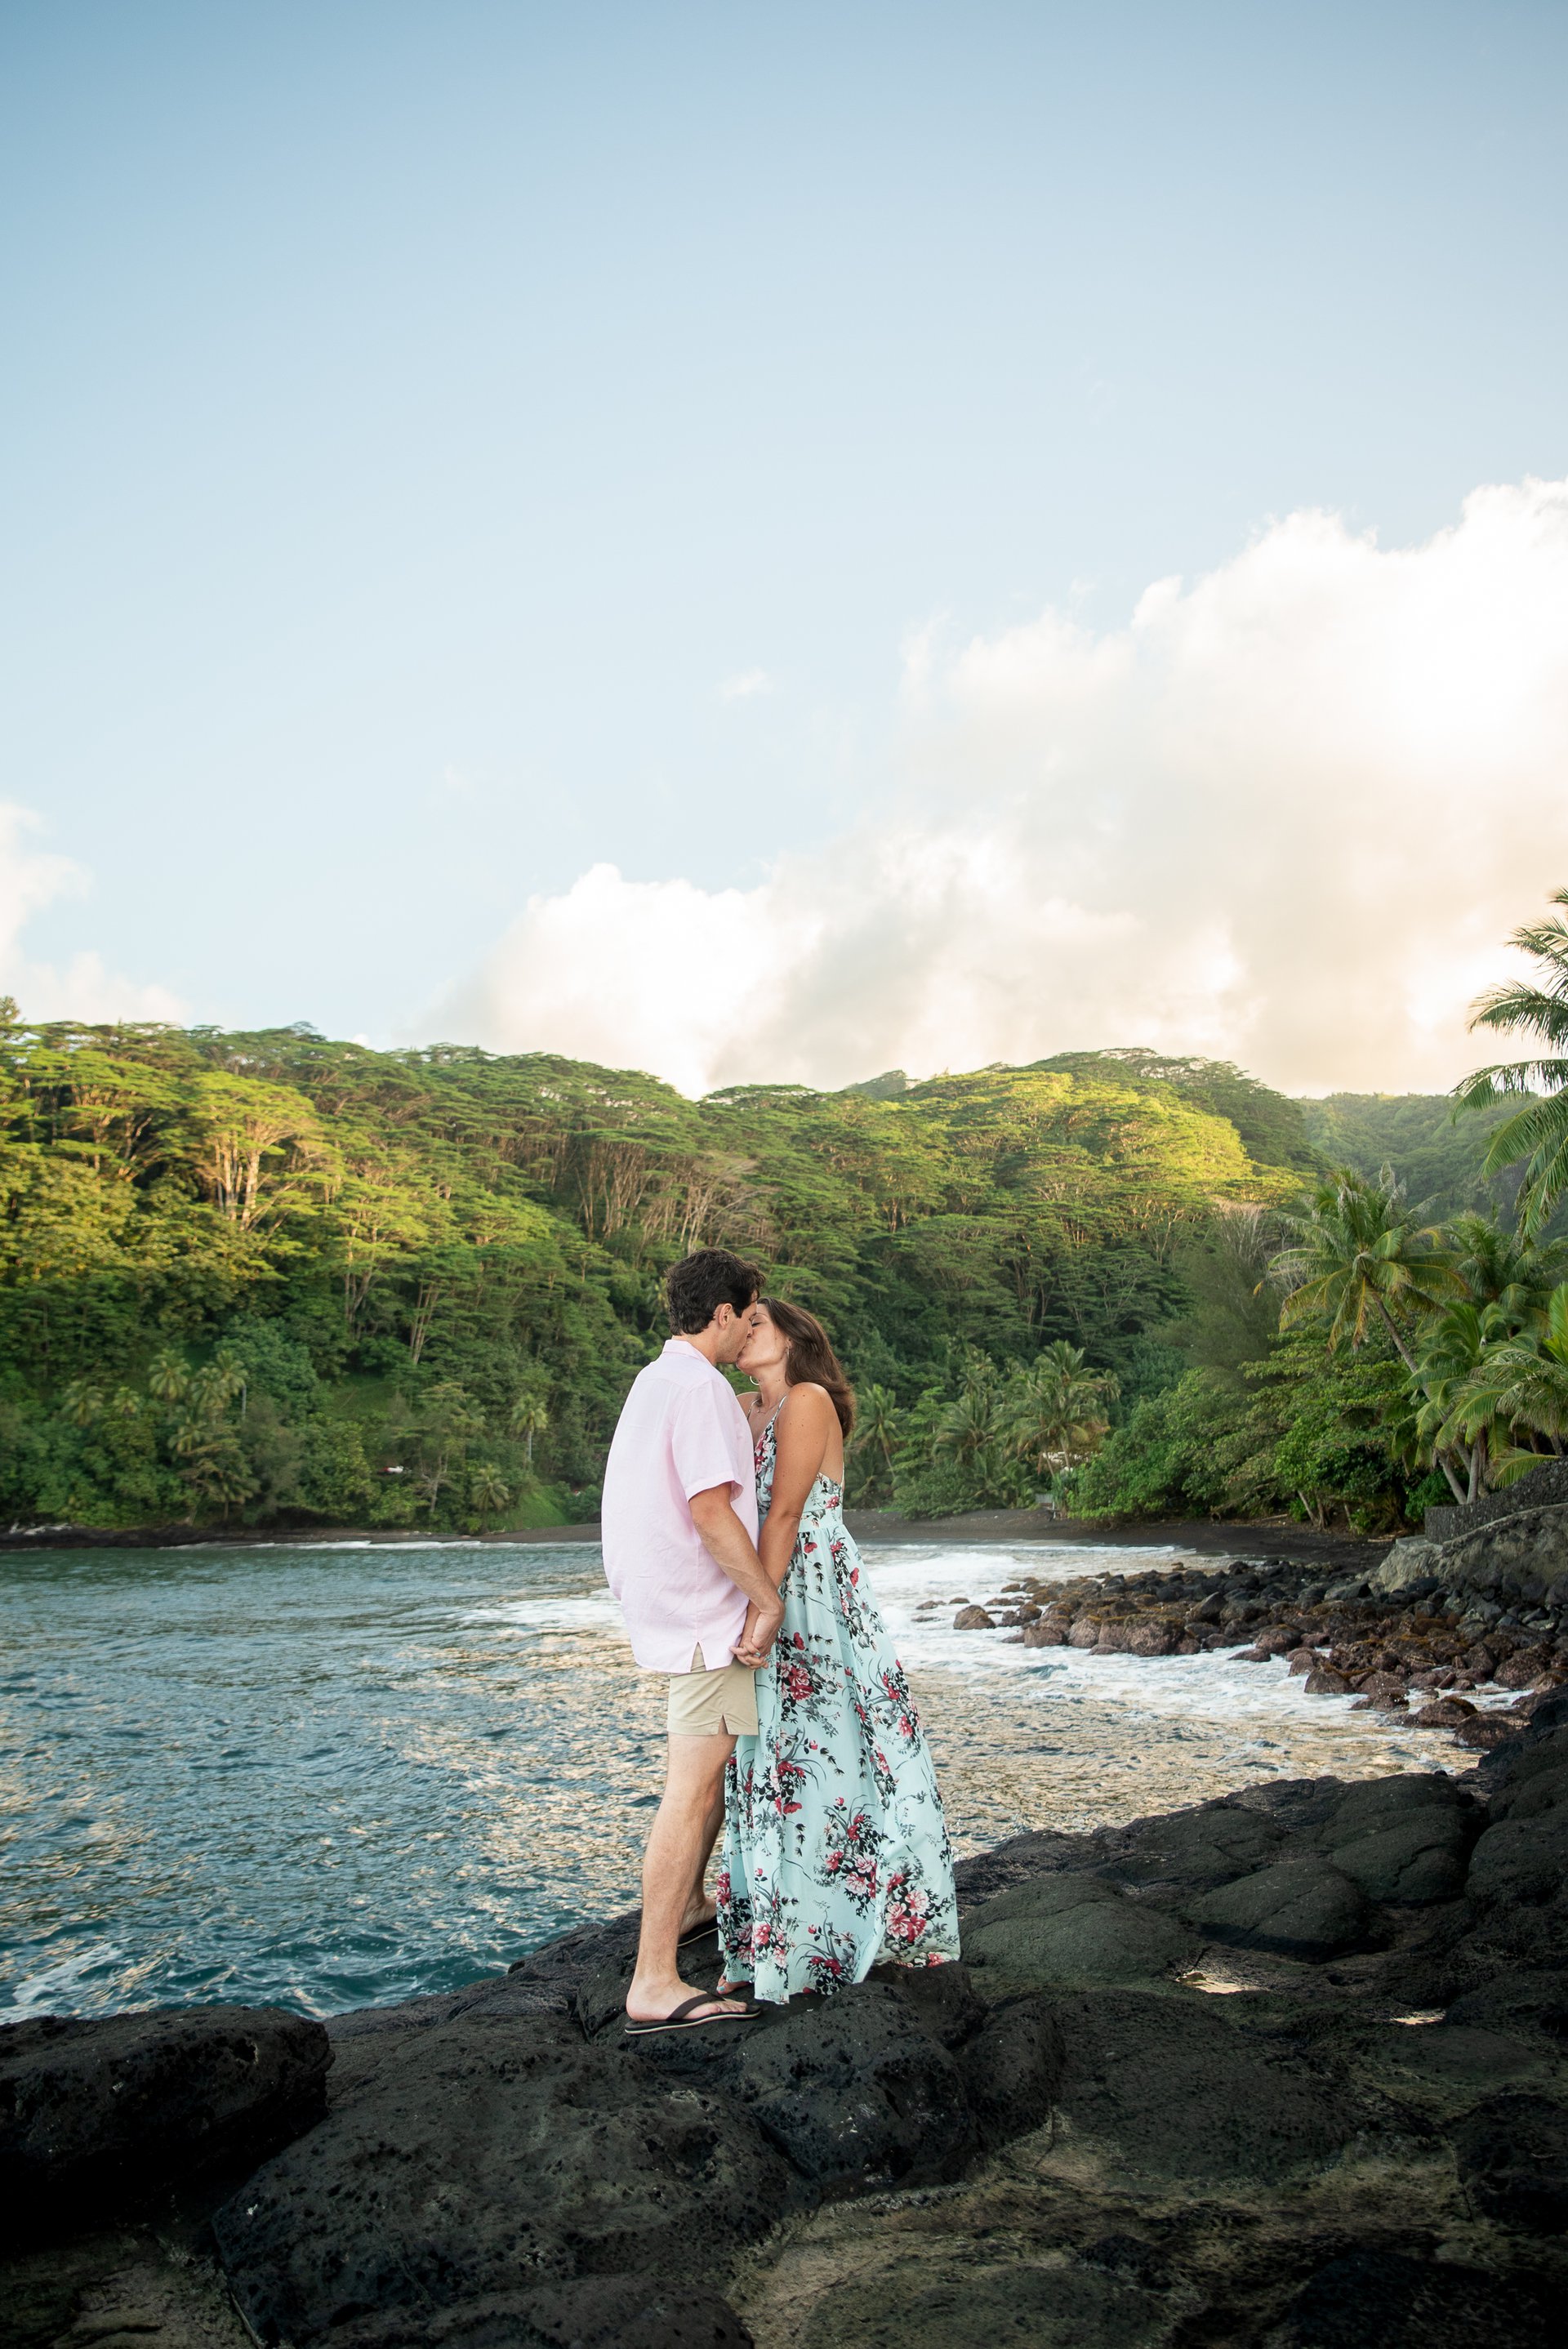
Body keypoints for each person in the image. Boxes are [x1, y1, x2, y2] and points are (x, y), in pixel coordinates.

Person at [715, 1297, 960, 2001]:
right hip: (764, 1588)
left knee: (839, 1755)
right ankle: (778, 1937)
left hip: (812, 1592)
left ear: (794, 1337)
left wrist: (765, 1613)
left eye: (757, 1321)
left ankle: (848, 1932)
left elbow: (786, 1512)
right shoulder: (739, 1406)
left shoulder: (808, 1399)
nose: (743, 1330)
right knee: (772, 1761)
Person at [601, 1247, 785, 2034]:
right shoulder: (703, 1388)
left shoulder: (656, 1380)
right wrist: (765, 1600)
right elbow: (712, 1512)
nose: (751, 1326)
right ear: (722, 1314)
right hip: (706, 1617)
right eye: (748, 1313)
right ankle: (653, 1980)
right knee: (693, 1787)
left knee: (704, 1781)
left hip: (664, 1608)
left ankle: (690, 1909)